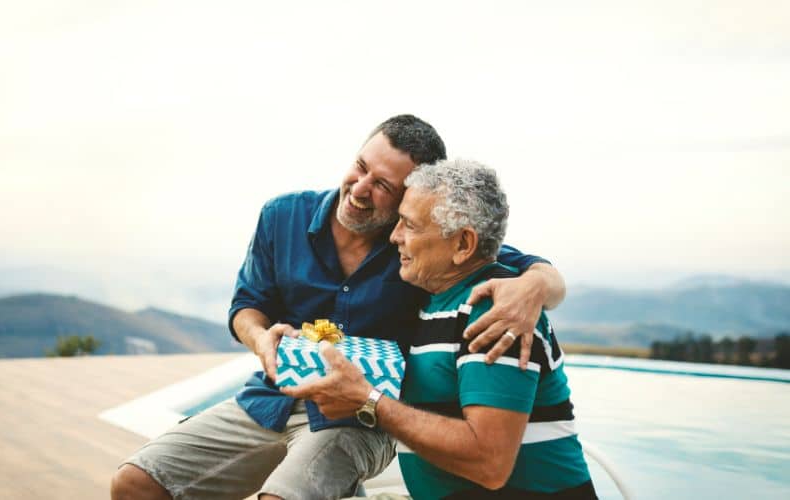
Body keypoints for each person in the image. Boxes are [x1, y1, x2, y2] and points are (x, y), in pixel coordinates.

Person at [111, 115, 567, 500]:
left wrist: (532, 288)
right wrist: (260, 338)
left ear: (412, 196)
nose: (360, 188)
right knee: (133, 484)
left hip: (365, 416)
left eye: (384, 185)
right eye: (360, 166)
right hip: (273, 397)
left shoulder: (423, 243)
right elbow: (247, 306)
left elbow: (511, 262)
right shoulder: (282, 215)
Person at [284, 158, 596, 499]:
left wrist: (369, 401)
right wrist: (310, 342)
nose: (394, 237)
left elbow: (489, 463)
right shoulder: (432, 301)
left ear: (463, 245)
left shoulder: (494, 312)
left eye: (410, 225)